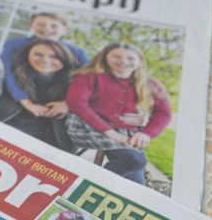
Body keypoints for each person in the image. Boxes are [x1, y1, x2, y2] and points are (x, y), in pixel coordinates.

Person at [64, 43, 172, 186]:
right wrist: (109, 130)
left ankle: (97, 187)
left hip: (125, 131)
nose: (123, 61)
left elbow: (164, 112)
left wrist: (146, 133)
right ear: (105, 58)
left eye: (130, 58)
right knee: (135, 160)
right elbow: (77, 103)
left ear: (140, 61)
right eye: (117, 56)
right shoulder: (90, 77)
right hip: (87, 127)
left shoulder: (149, 84)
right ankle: (91, 183)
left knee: (136, 186)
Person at [0, 37, 84, 149]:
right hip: (7, 130)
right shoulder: (10, 77)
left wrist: (69, 105)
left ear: (65, 59)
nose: (45, 60)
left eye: (54, 56)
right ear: (27, 55)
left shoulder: (78, 84)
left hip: (53, 140)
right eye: (38, 54)